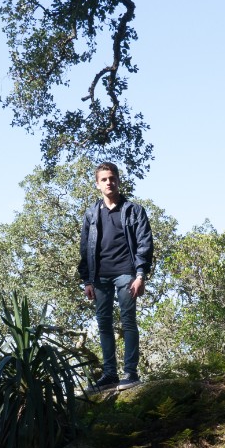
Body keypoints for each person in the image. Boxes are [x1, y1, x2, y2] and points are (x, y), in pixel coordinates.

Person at [79, 161, 154, 390]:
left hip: (126, 274)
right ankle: (110, 374)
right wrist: (87, 280)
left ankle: (131, 373)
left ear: (118, 181)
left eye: (112, 178)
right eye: (104, 179)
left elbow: (144, 243)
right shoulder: (91, 214)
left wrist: (140, 275)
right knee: (103, 324)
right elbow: (85, 248)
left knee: (128, 321)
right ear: (97, 184)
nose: (108, 182)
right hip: (99, 277)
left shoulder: (133, 210)